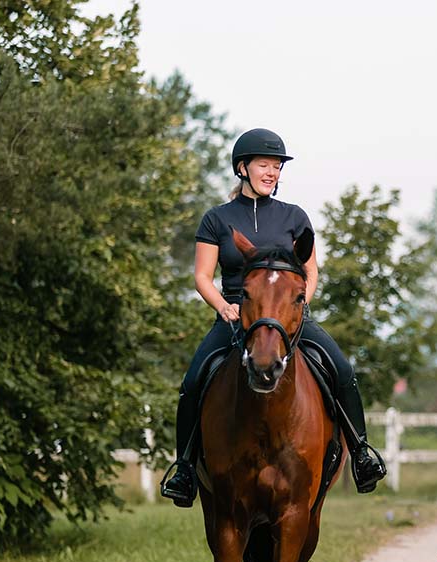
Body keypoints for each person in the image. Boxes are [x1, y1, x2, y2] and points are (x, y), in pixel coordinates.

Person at [160, 128, 385, 506]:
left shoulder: (294, 217)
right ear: (242, 168)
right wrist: (223, 306)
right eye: (264, 164)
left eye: (277, 166)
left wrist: (299, 306)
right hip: (237, 314)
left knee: (343, 370)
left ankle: (361, 453)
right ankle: (184, 468)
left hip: (289, 317)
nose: (272, 172)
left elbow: (311, 271)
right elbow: (202, 276)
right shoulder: (217, 219)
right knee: (193, 380)